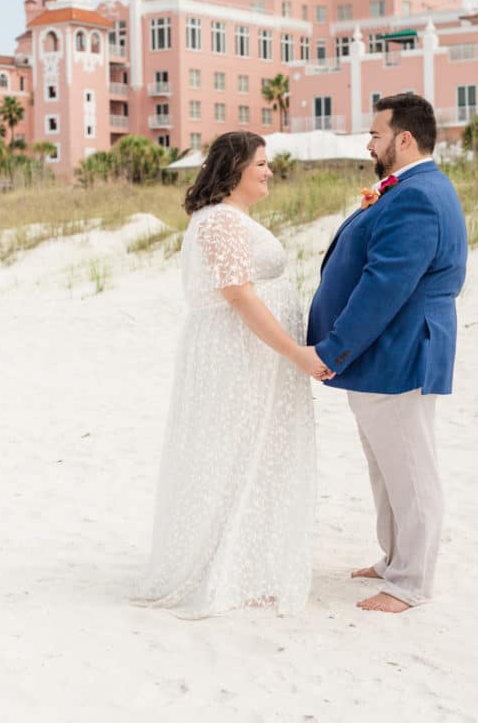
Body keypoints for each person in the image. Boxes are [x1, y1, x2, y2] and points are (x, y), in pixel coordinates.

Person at [134, 131, 327, 618]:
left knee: (254, 452)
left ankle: (248, 562)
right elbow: (237, 293)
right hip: (239, 355)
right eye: (260, 163)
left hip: (249, 355)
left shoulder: (230, 218)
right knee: (238, 451)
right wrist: (295, 353)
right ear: (234, 167)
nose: (268, 172)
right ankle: (230, 568)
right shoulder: (220, 220)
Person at [308, 94, 468, 613]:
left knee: (411, 466)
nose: (369, 143)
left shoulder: (419, 195)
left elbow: (385, 285)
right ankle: (395, 556)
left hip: (399, 350)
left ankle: (412, 581)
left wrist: (335, 347)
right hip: (381, 354)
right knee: (385, 462)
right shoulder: (406, 187)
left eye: (376, 134)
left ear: (404, 139)